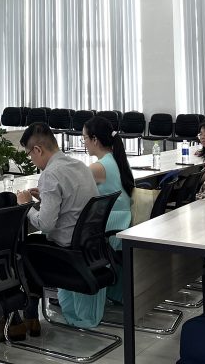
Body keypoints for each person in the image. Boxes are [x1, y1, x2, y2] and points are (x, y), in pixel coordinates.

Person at [11, 123, 97, 338]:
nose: (32, 160)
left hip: (66, 252)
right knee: (31, 246)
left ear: (37, 150)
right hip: (88, 247)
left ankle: (23, 318)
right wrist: (45, 198)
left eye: (30, 155)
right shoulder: (79, 165)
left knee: (19, 250)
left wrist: (26, 205)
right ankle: (31, 318)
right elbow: (71, 202)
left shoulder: (50, 174)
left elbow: (45, 224)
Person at [57, 116, 134, 328]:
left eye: (84, 138)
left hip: (108, 230)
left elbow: (69, 189)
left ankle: (73, 297)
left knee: (60, 236)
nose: (83, 143)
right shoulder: (115, 160)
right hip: (119, 224)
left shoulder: (98, 167)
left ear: (94, 139)